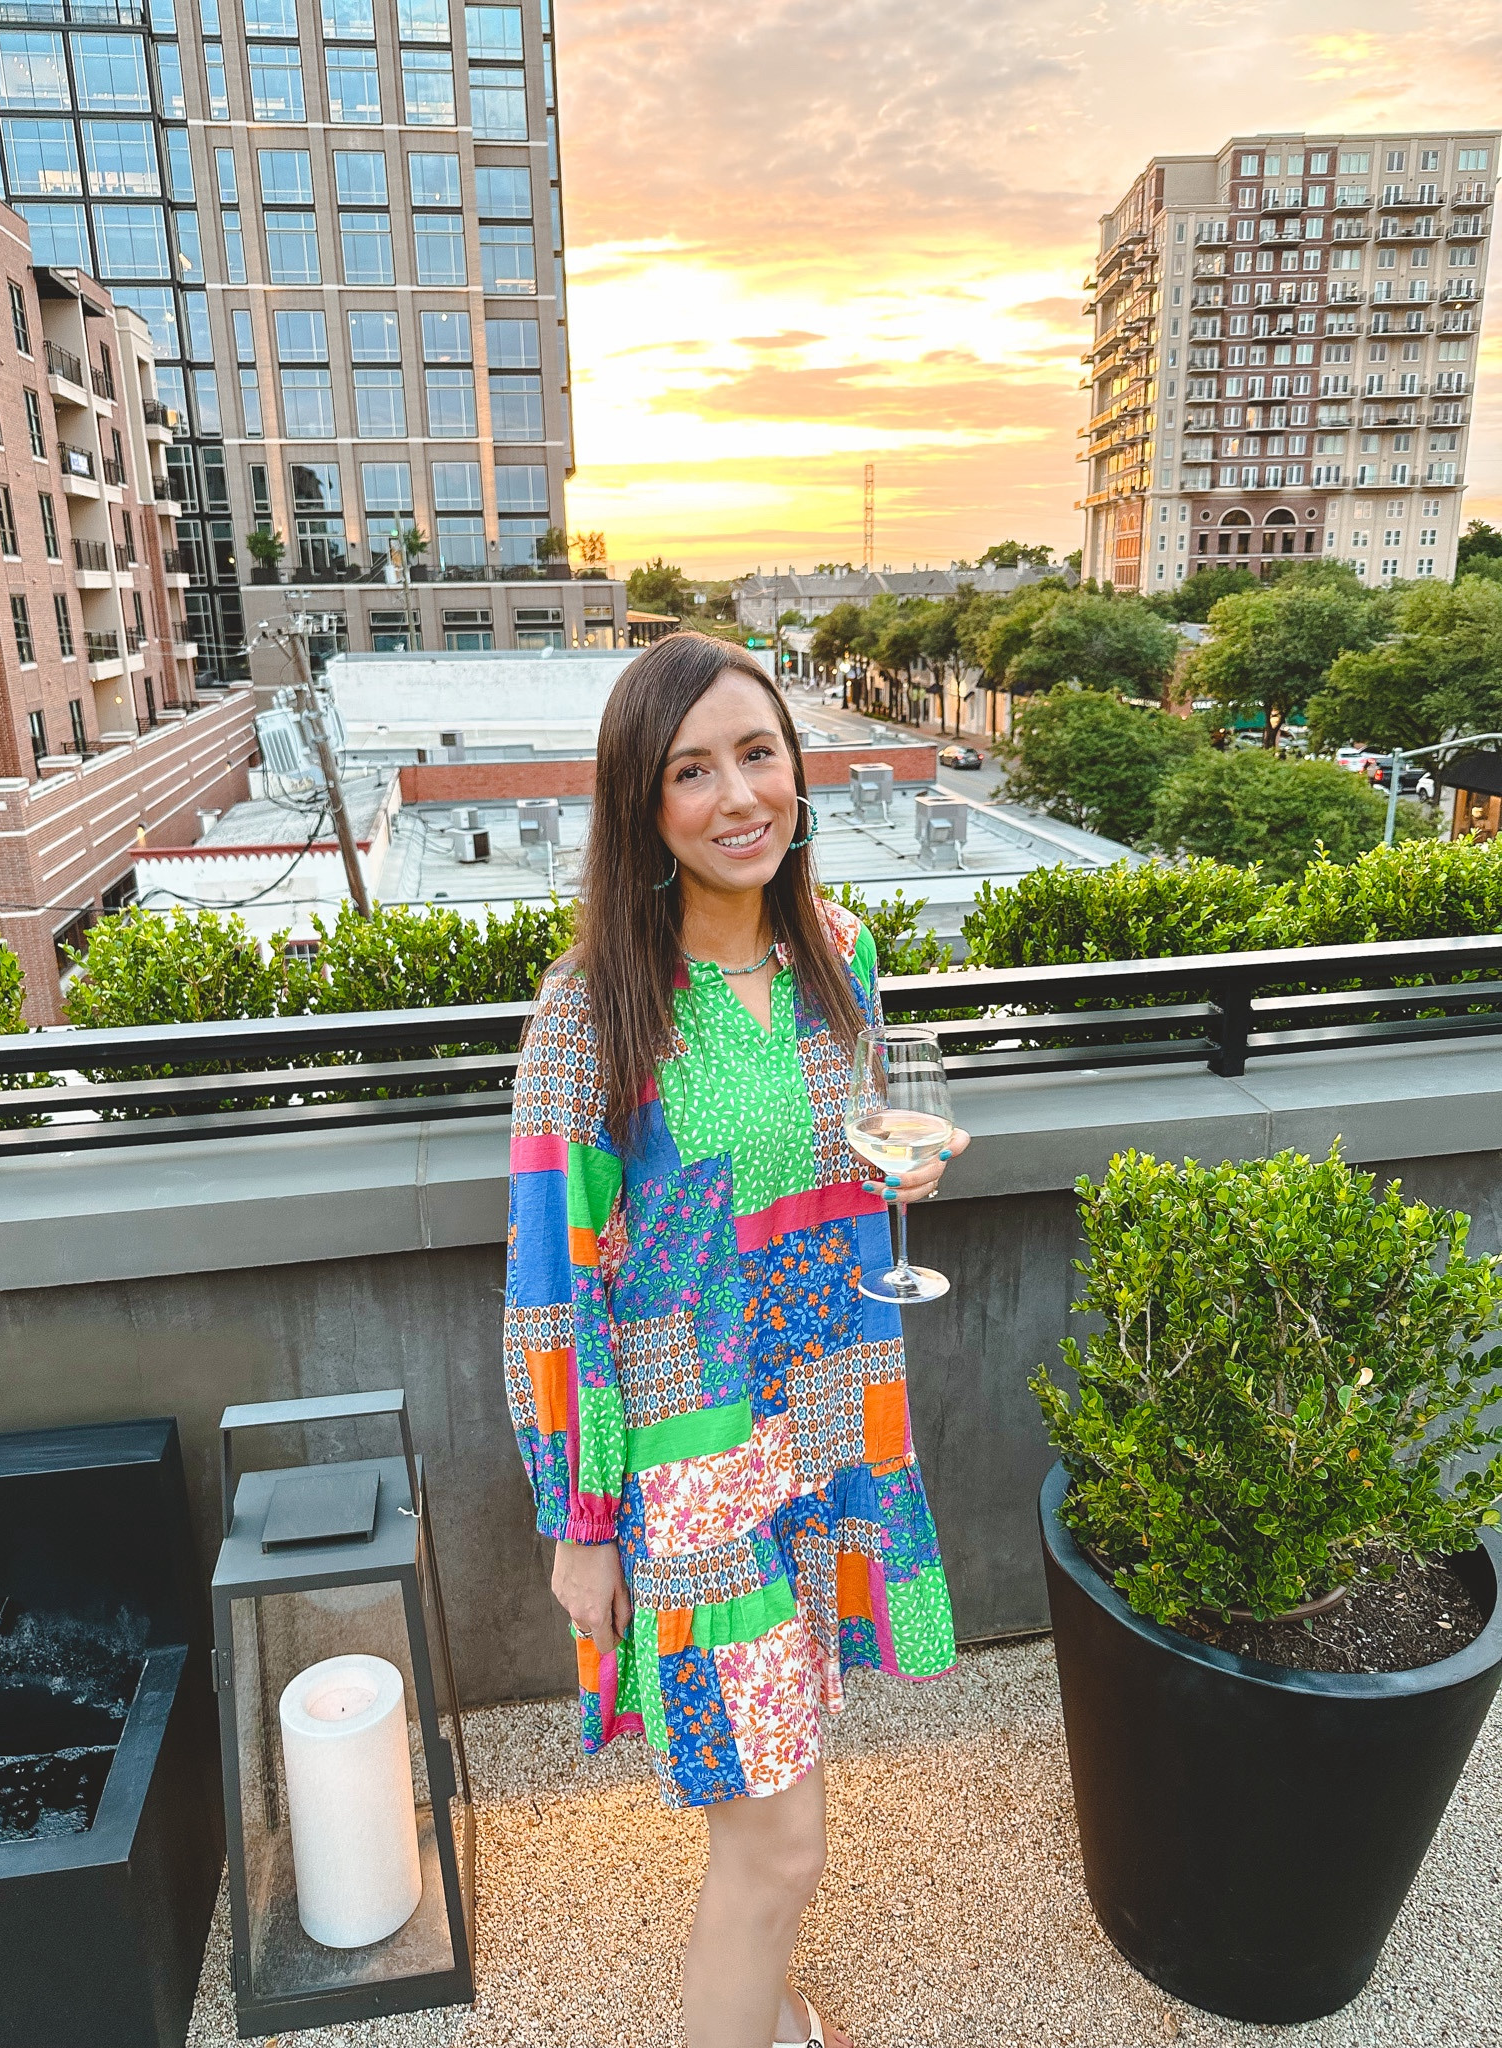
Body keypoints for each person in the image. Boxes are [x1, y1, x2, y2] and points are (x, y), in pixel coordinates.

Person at [504, 632, 968, 2048]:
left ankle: (761, 2018)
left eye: (757, 754)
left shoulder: (840, 952)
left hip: (832, 1422)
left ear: (798, 770)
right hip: (698, 1476)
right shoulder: (592, 1015)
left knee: (780, 1796)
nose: (736, 796)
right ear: (641, 805)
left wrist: (888, 1173)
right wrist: (579, 1523)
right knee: (776, 1846)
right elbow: (548, 1292)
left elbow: (839, 1143)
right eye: (690, 770)